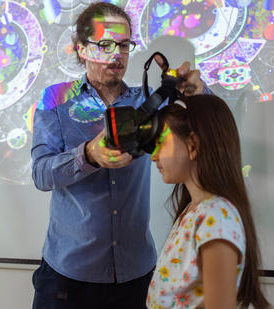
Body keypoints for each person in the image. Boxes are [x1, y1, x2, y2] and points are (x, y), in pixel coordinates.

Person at [30, 2, 210, 309]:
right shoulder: (55, 99)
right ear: (81, 49)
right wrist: (88, 154)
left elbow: (207, 137)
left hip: (135, 274)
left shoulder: (149, 102)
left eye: (124, 45)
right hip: (68, 276)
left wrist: (201, 95)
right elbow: (41, 174)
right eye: (105, 44)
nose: (118, 54)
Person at [146, 95, 270, 309]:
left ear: (193, 145)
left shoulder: (216, 217)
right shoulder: (194, 210)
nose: (153, 156)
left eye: (161, 143)